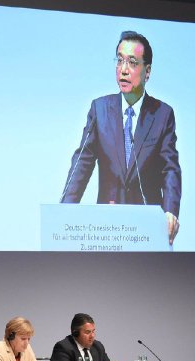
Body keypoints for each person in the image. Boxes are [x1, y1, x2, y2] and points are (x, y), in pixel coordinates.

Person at [60, 31, 181, 245]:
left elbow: (169, 168)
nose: (123, 69)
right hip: (108, 228)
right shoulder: (100, 110)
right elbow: (82, 163)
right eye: (119, 60)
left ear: (147, 72)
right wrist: (63, 211)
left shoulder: (162, 115)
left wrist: (170, 211)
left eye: (132, 62)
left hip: (148, 230)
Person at [49, 313, 121, 361]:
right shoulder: (63, 347)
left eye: (93, 331)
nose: (92, 336)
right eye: (87, 332)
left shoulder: (97, 346)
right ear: (75, 333)